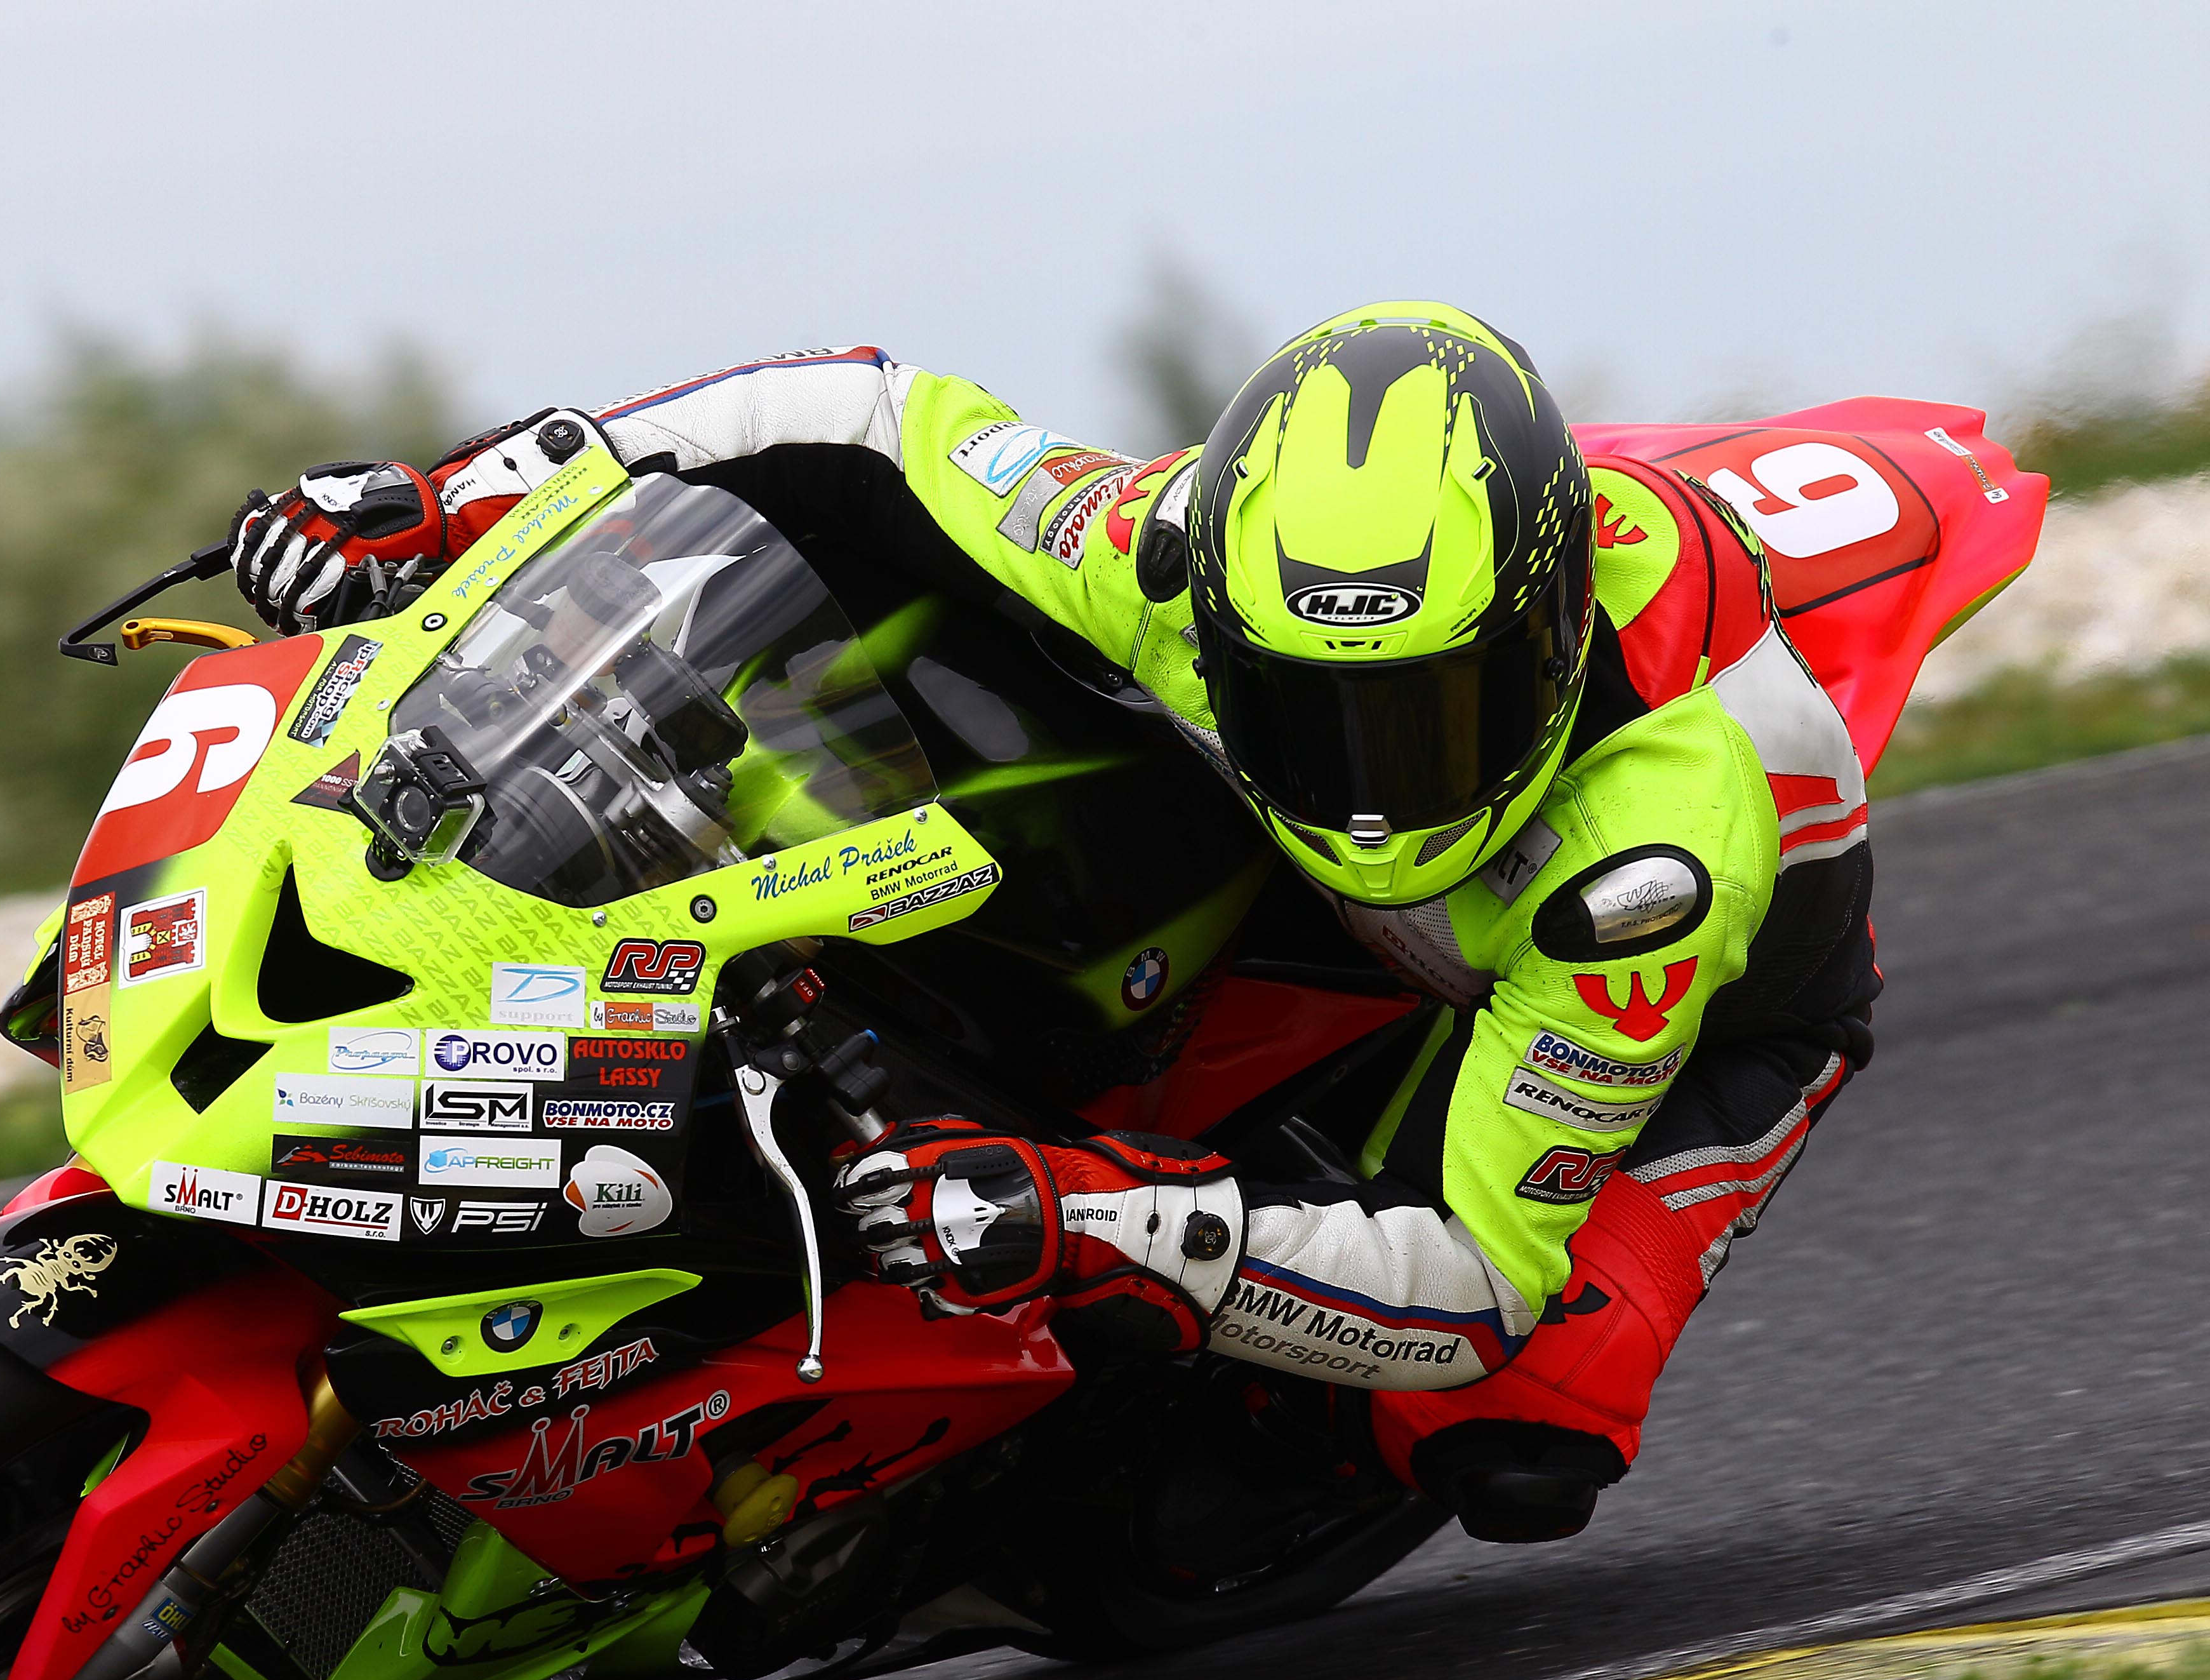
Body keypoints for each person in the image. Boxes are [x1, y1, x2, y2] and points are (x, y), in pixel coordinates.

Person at [227, 305, 1877, 1549]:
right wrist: (455, 493)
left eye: (1420, 719)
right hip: (1296, 881)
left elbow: (1470, 1281)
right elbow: (857, 413)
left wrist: (1099, 1223)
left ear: (1553, 644)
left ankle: (1104, 1504)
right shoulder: (1156, 557)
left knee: (1508, 1433)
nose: (1367, 784)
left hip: (1711, 1022)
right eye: (1306, 708)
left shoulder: (1652, 865)